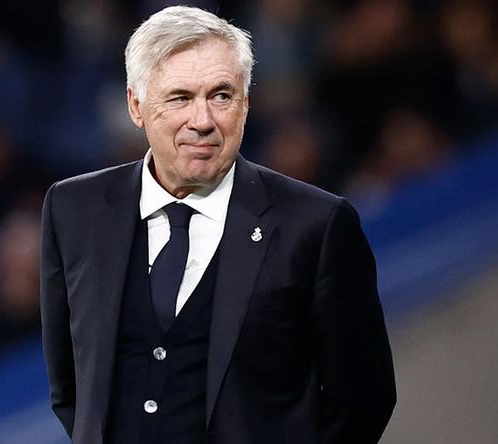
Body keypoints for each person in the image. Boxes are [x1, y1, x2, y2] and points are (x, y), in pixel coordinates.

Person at [40, 6, 396, 444]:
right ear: (136, 105)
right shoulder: (73, 209)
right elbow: (72, 390)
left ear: (245, 104)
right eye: (180, 97)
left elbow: (363, 400)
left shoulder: (316, 225)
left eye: (222, 95)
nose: (203, 121)